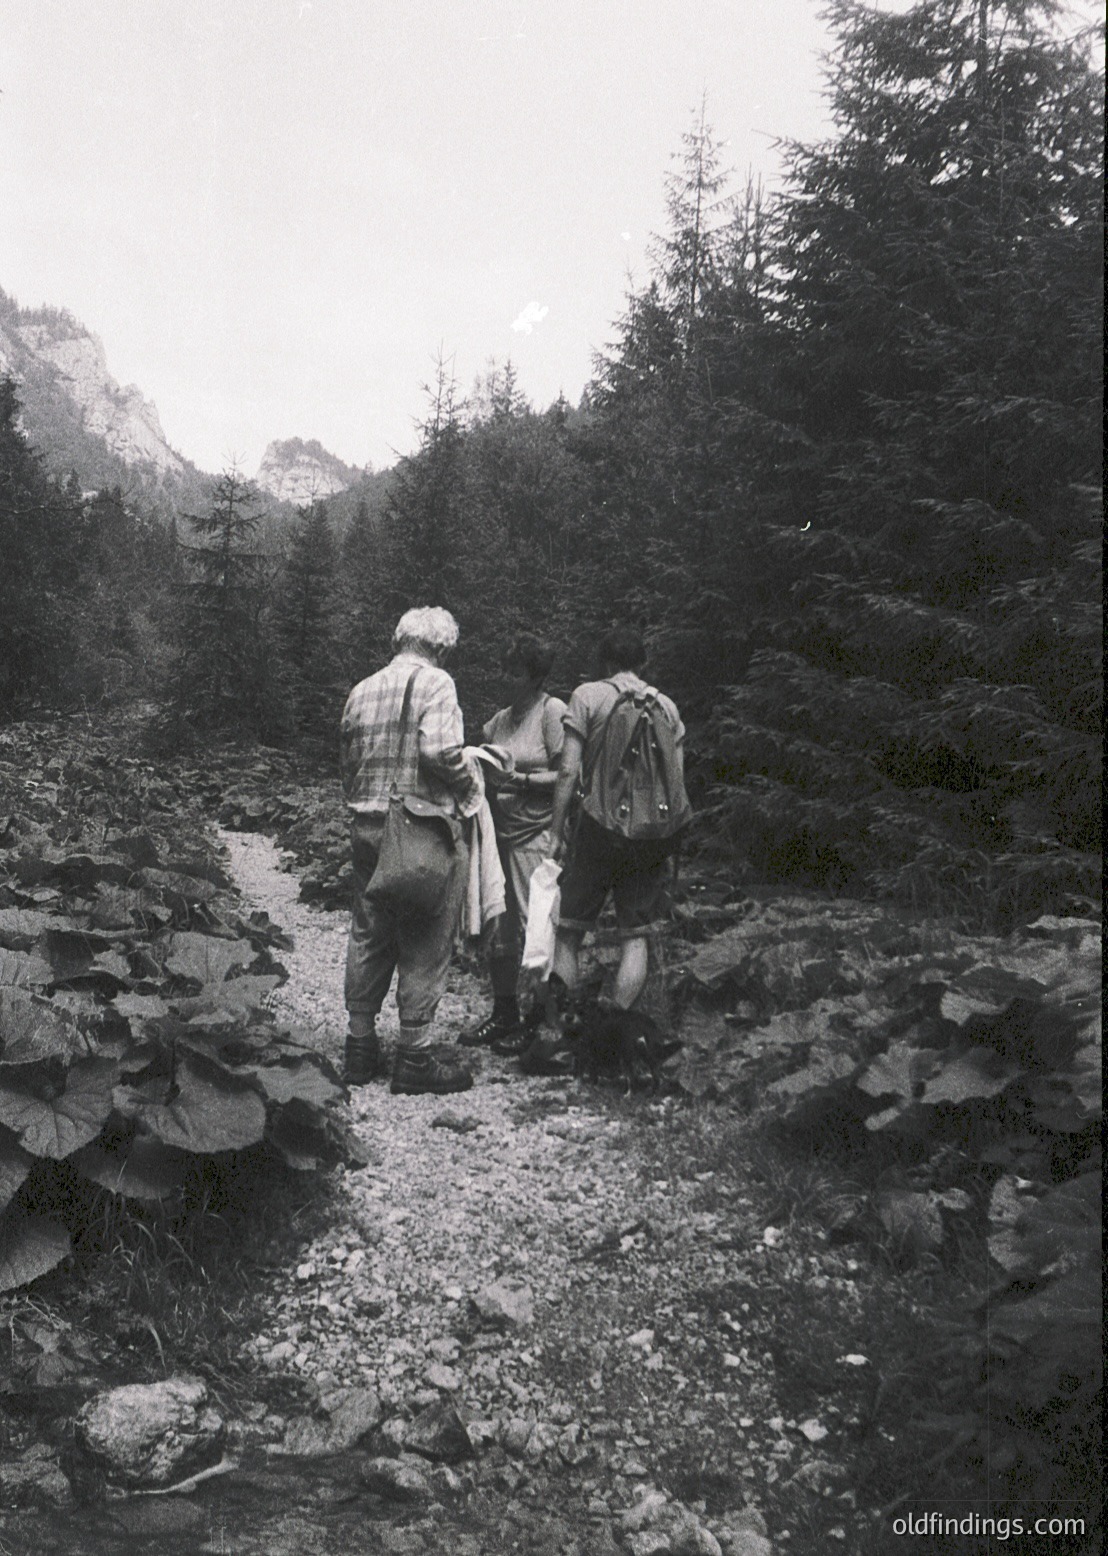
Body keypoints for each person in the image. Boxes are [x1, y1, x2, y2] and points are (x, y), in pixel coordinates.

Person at [339, 606, 479, 1095]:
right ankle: (414, 1058)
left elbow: (348, 760)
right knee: (425, 932)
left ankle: (359, 1050)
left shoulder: (361, 689)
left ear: (400, 639)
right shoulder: (437, 683)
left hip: (367, 823)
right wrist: (472, 783)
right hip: (419, 827)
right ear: (439, 648)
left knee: (369, 931)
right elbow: (439, 751)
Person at [547, 625, 686, 1015]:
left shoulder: (587, 696)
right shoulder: (668, 707)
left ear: (604, 661)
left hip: (596, 827)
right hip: (649, 834)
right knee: (635, 936)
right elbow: (676, 781)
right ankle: (617, 1030)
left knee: (569, 930)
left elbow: (568, 771)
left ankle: (558, 1029)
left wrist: (556, 831)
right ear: (643, 664)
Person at [460, 634, 567, 1052]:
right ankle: (504, 1013)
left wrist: (519, 780)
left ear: (536, 677)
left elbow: (569, 776)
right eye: (503, 670)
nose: (505, 678)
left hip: (536, 835)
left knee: (535, 924)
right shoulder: (499, 720)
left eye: (515, 672)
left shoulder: (552, 712)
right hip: (497, 834)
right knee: (498, 926)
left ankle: (542, 1021)